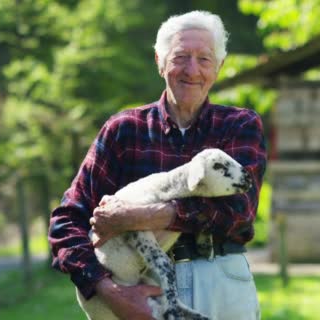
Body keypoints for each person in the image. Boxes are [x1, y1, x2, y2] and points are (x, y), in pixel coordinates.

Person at [49, 10, 266, 320]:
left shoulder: (239, 125)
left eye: (204, 59)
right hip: (140, 287)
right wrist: (107, 291)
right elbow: (67, 219)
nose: (192, 70)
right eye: (180, 57)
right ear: (160, 62)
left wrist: (137, 217)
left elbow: (238, 211)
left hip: (221, 282)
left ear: (218, 67)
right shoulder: (124, 129)